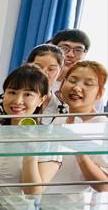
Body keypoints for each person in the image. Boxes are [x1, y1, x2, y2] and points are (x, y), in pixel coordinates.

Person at [0, 66, 58, 210]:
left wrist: (29, 153)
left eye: (28, 94)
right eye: (12, 92)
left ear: (41, 99)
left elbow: (33, 192)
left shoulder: (48, 140)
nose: (18, 101)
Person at [32, 61, 108, 195]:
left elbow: (103, 186)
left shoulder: (102, 127)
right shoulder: (60, 119)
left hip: (73, 206)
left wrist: (78, 149)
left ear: (100, 93)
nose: (77, 88)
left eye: (88, 84)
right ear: (62, 84)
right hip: (44, 201)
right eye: (72, 81)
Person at [0, 45, 69, 120]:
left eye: (51, 69)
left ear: (60, 72)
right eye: (38, 67)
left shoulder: (62, 110)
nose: (44, 73)